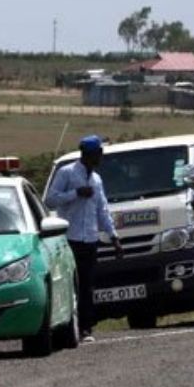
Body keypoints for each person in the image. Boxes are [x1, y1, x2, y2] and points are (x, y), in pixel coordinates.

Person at [45, 135, 122, 343]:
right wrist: (75, 193)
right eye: (99, 152)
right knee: (71, 283)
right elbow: (50, 200)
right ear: (89, 154)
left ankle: (86, 327)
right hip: (70, 239)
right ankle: (68, 326)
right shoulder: (67, 173)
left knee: (87, 284)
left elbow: (102, 210)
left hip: (90, 239)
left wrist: (113, 237)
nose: (101, 156)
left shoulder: (97, 179)